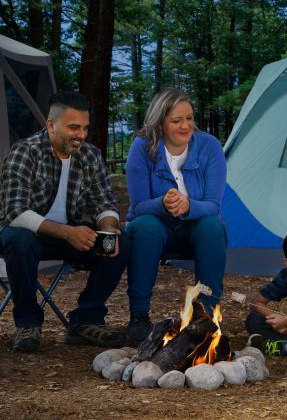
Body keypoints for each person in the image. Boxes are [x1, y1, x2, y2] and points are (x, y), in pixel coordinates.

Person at [0, 91, 131, 352]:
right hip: (27, 237)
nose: (80, 135)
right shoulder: (25, 152)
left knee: (122, 241)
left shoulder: (90, 155)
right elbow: (13, 213)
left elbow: (105, 202)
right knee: (18, 238)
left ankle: (86, 320)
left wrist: (107, 226)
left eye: (84, 127)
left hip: (67, 236)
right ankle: (28, 324)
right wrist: (67, 232)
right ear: (51, 125)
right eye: (73, 127)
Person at [125, 88, 227, 345]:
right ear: (160, 123)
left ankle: (205, 314)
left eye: (189, 118)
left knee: (212, 227)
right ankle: (138, 316)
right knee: (145, 226)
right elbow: (137, 208)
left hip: (195, 230)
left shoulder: (209, 146)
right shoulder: (142, 147)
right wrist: (163, 203)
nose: (186, 126)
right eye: (177, 120)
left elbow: (213, 205)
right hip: (158, 229)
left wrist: (188, 206)